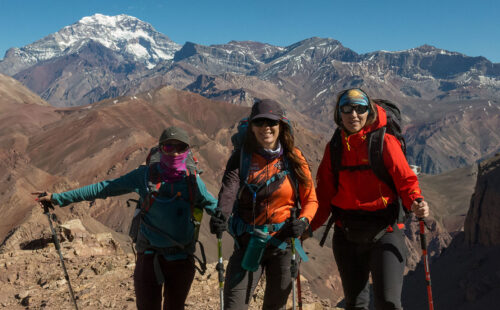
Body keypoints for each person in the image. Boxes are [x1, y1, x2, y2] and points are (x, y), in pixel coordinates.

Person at [33, 126, 223, 310]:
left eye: (180, 147)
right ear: (160, 149)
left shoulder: (193, 182)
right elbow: (103, 188)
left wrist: (232, 224)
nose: (174, 153)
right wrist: (59, 198)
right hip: (150, 254)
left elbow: (216, 207)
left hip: (182, 257)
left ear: (187, 150)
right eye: (168, 147)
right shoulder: (145, 176)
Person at [310, 88, 430, 310]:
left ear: (369, 112)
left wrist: (416, 200)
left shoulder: (384, 142)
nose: (353, 115)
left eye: (360, 108)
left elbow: (406, 180)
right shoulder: (334, 147)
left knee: (389, 303)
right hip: (346, 235)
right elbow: (325, 193)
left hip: (384, 232)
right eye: (347, 108)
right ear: (339, 113)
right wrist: (308, 226)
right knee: (356, 304)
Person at [209, 99, 318, 310]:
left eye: (271, 122)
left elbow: (310, 200)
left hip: (283, 244)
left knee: (275, 306)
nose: (266, 128)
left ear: (281, 126)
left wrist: (303, 222)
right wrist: (221, 214)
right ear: (251, 126)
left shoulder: (294, 159)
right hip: (249, 241)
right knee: (234, 305)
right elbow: (229, 191)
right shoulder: (241, 159)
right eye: (260, 123)